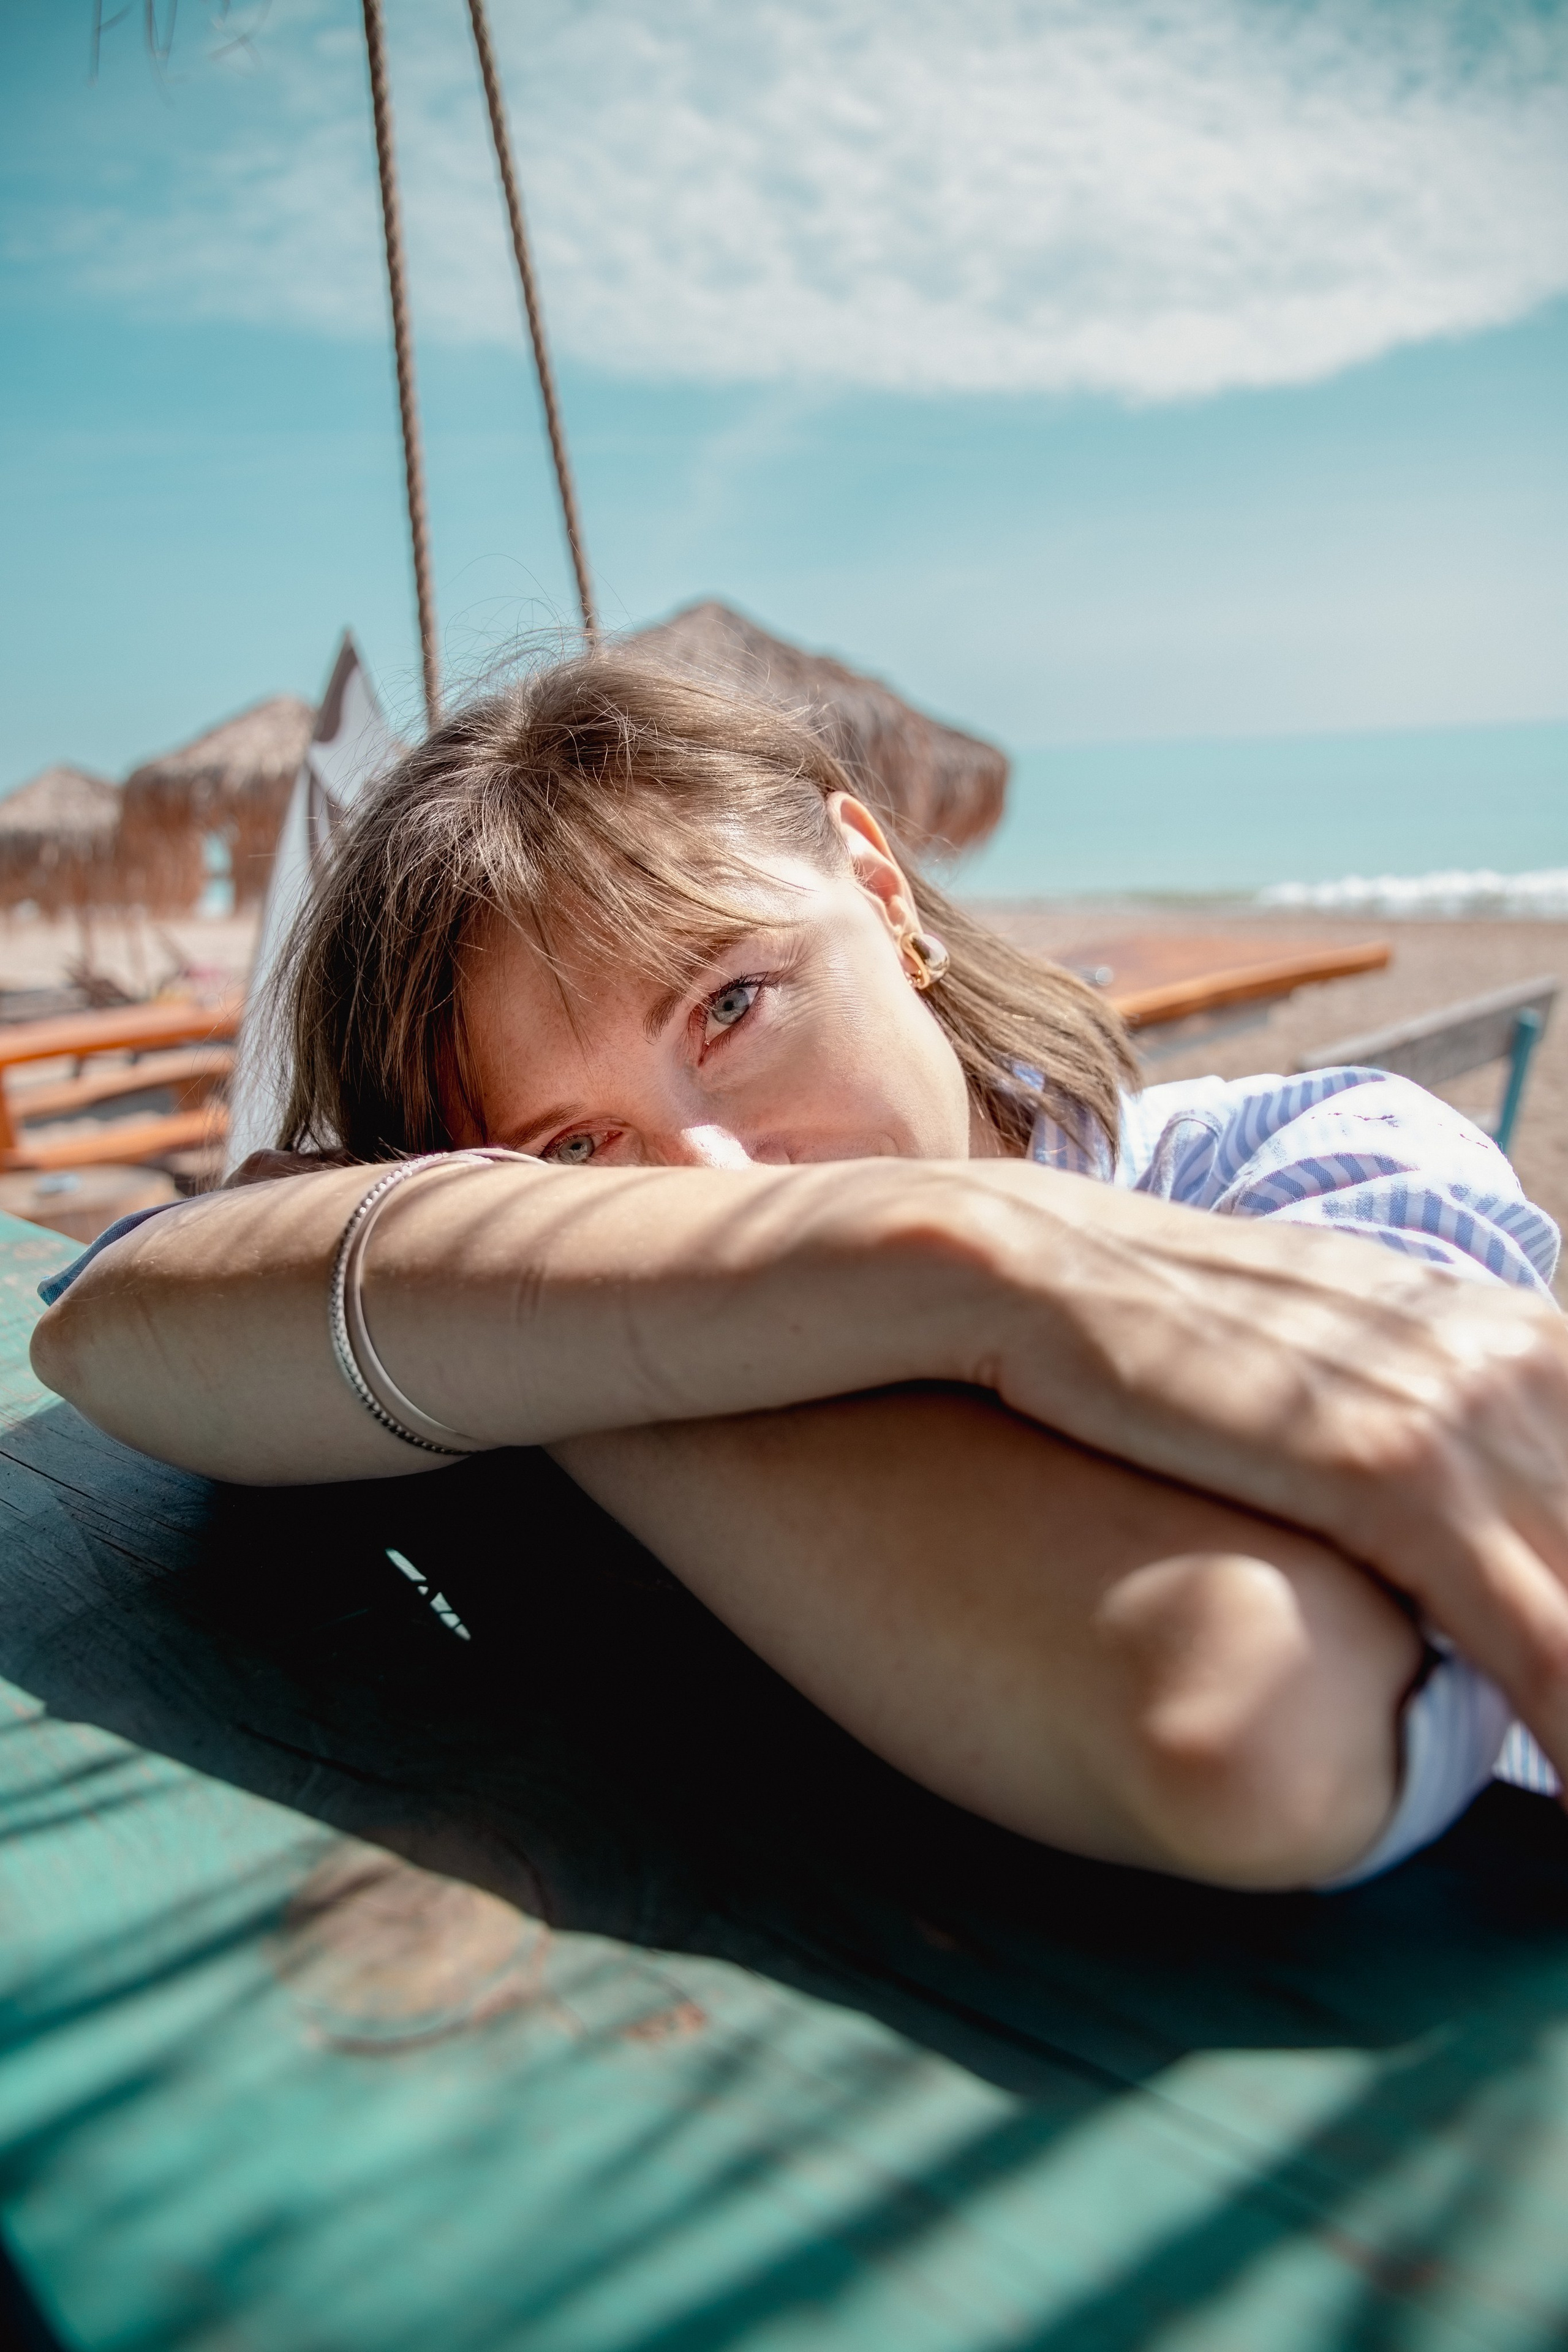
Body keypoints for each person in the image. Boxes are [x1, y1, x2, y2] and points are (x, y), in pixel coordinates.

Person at [30, 651, 1568, 1893]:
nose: (708, 1186)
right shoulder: (979, 1243)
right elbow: (114, 1322)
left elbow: (1244, 1710)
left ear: (880, 891)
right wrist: (973, 1255)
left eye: (732, 1004)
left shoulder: (1311, 1167)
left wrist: (553, 1344)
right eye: (571, 1155)